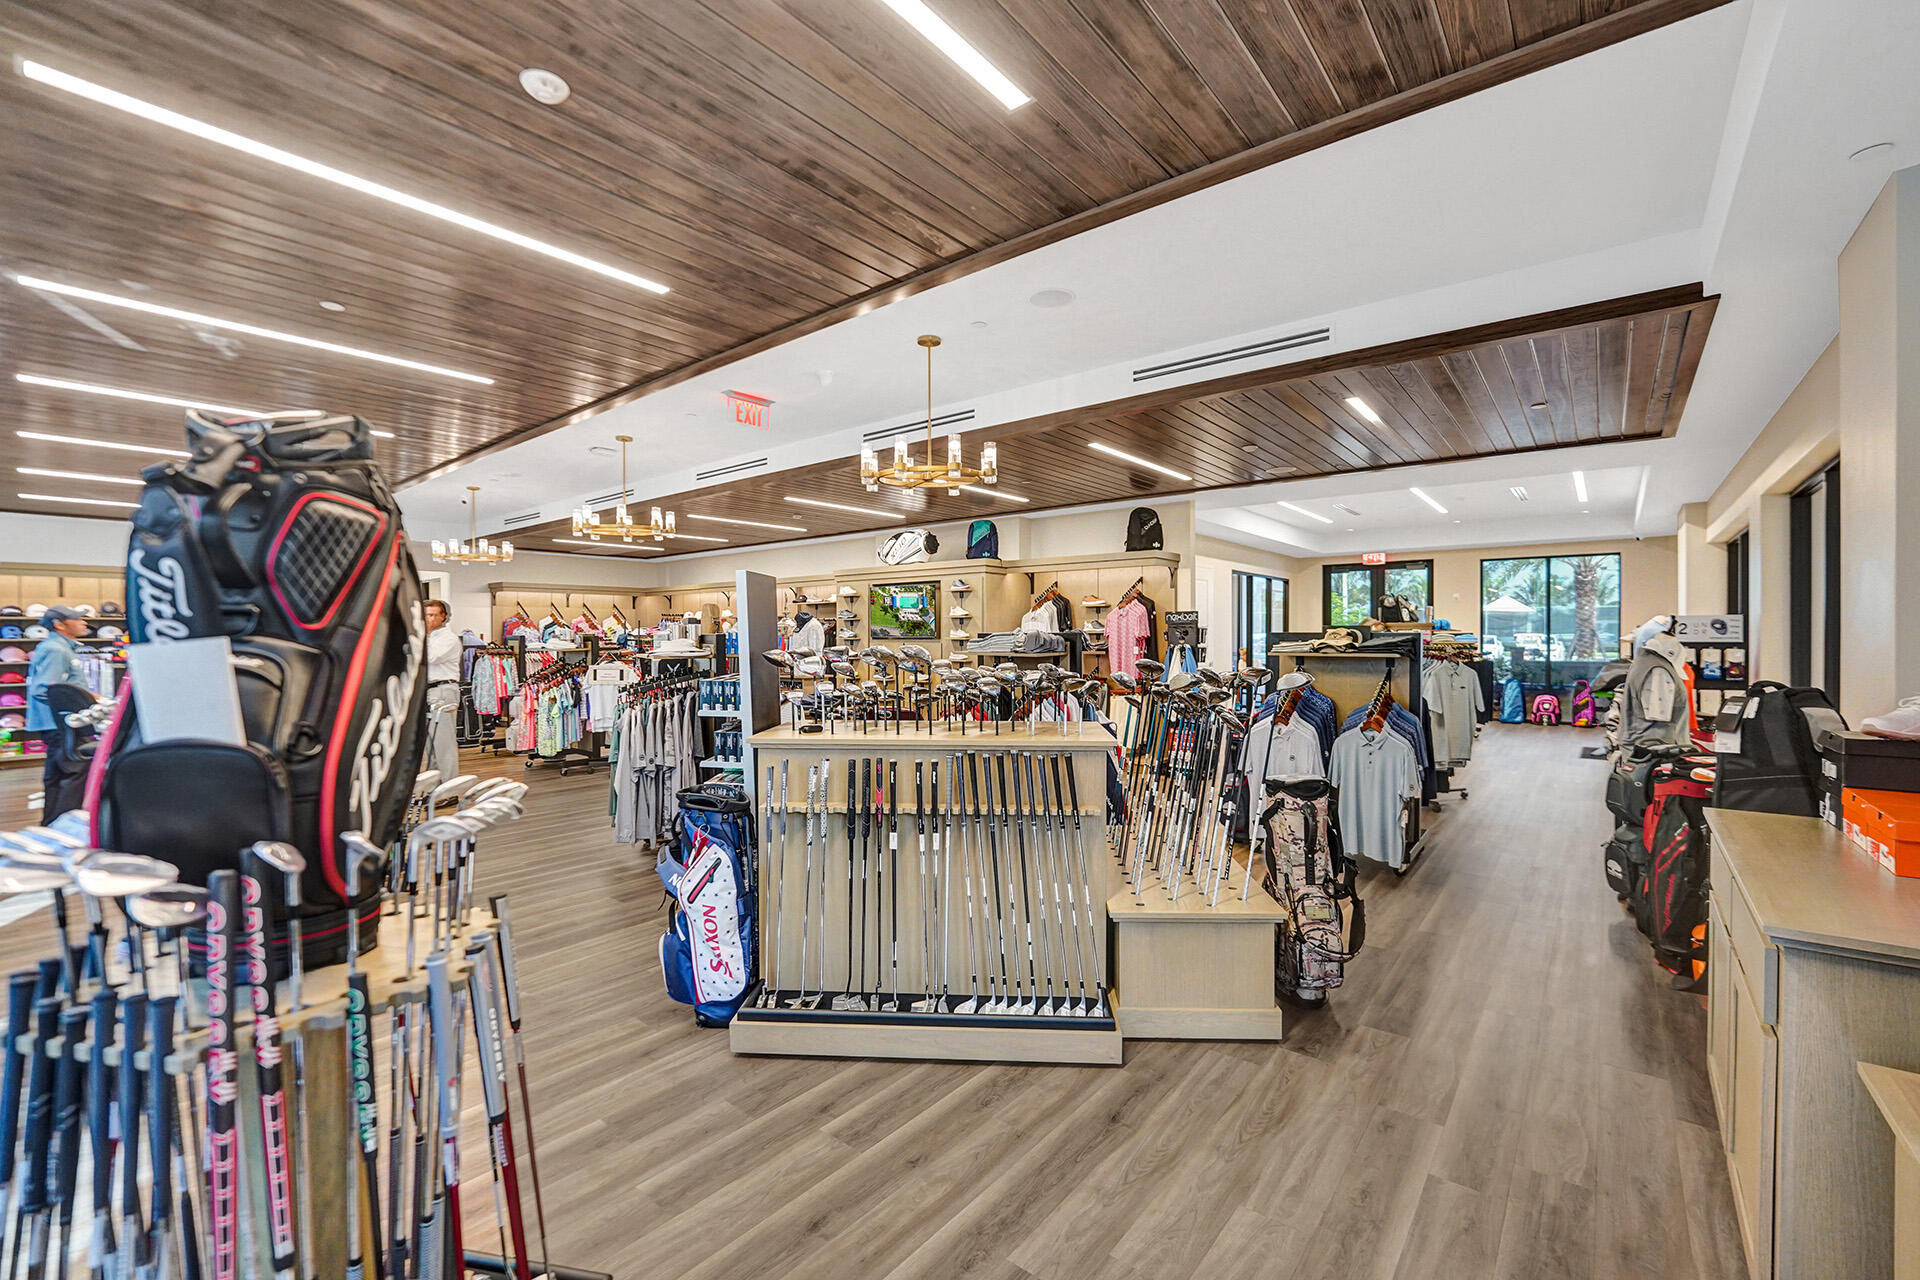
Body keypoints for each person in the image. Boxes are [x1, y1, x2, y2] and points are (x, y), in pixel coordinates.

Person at [25, 606, 91, 820]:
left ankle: (52, 821)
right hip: (61, 722)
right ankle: (67, 822)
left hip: (60, 722)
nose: (84, 623)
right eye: (77, 619)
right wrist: (88, 700)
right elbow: (45, 689)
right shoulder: (56, 650)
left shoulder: (59, 647)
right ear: (59, 624)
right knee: (75, 770)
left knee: (57, 773)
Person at [423, 598, 461, 778]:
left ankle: (448, 791)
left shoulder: (449, 639)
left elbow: (430, 657)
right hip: (430, 692)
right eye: (425, 615)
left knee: (444, 745)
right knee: (431, 746)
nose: (427, 619)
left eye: (432, 615)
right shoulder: (429, 638)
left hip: (443, 692)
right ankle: (434, 789)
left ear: (443, 617)